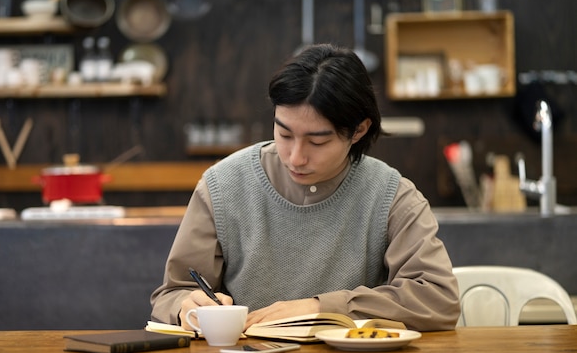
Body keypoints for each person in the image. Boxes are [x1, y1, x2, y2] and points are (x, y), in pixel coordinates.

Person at [150, 43, 461, 331]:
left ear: (359, 130)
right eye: (284, 134)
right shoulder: (223, 184)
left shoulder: (391, 195)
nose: (295, 157)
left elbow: (438, 298)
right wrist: (184, 306)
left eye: (317, 141)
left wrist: (322, 308)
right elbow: (172, 294)